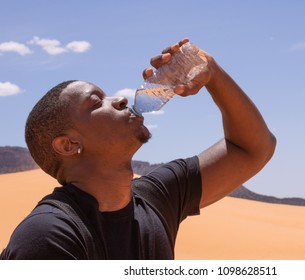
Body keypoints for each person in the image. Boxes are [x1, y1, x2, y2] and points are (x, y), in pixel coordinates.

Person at [0, 38, 276, 259]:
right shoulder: (49, 236)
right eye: (96, 103)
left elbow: (254, 148)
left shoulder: (156, 198)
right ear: (69, 145)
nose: (119, 99)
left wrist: (212, 73)